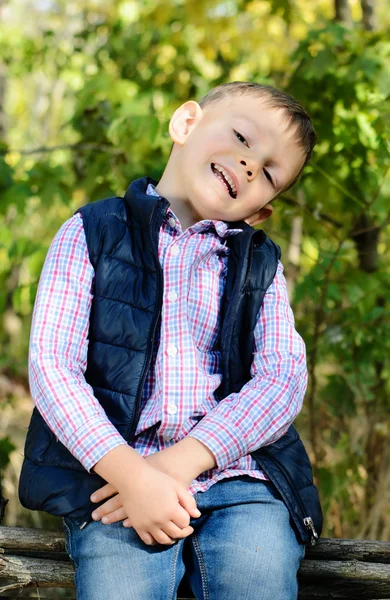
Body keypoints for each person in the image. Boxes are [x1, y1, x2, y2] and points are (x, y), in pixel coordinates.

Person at [19, 81, 323, 600]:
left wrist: (180, 462)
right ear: (186, 124)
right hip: (114, 478)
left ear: (261, 211)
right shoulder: (92, 231)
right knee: (123, 587)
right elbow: (53, 367)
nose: (251, 166)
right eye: (243, 139)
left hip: (238, 476)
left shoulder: (259, 266)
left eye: (269, 173)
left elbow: (282, 381)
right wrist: (132, 476)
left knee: (257, 575)